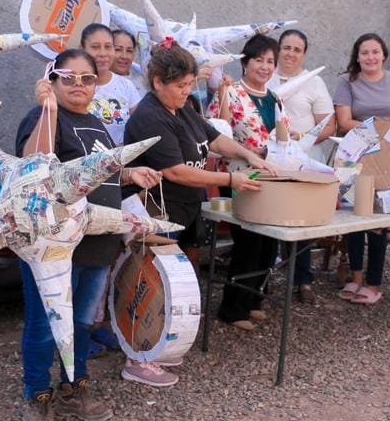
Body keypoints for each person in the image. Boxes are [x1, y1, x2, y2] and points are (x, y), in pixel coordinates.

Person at [13, 48, 162, 421]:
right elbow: (33, 164)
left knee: (80, 322)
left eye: (88, 78)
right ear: (53, 79)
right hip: (54, 250)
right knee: (46, 327)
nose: (79, 85)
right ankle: (37, 396)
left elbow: (97, 172)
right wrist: (46, 108)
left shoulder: (95, 122)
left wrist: (128, 173)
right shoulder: (45, 117)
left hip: (97, 245)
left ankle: (72, 389)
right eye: (69, 77)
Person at [124, 41, 274, 336]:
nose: (186, 91)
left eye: (191, 84)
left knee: (175, 278)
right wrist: (231, 180)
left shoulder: (181, 108)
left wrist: (248, 154)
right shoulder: (150, 116)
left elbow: (215, 139)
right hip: (158, 209)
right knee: (151, 277)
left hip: (186, 207)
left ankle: (170, 333)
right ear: (157, 82)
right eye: (180, 85)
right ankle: (143, 338)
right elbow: (175, 172)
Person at [208, 34, 290, 328]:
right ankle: (232, 308)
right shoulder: (231, 92)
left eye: (270, 61)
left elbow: (284, 136)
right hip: (239, 174)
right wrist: (222, 96)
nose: (265, 66)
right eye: (259, 59)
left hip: (270, 175)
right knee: (248, 241)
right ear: (245, 62)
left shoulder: (274, 97)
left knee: (268, 241)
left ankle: (253, 298)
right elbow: (218, 133)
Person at [333, 33, 390, 305]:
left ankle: (374, 282)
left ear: (384, 55)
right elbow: (344, 121)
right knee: (358, 214)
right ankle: (356, 277)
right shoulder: (346, 82)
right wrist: (377, 133)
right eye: (364, 52)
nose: (370, 57)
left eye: (375, 52)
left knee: (381, 215)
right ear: (357, 56)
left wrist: (389, 138)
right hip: (355, 154)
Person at [267, 29, 334, 304]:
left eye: (297, 49)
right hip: (269, 157)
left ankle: (303, 279)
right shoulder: (264, 74)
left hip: (303, 158)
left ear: (304, 54)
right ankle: (265, 277)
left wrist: (302, 138)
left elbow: (330, 124)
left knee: (300, 219)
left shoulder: (314, 83)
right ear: (278, 50)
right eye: (286, 47)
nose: (290, 53)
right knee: (268, 216)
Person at [81, 23, 141, 145]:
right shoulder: (73, 86)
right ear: (82, 49)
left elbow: (140, 127)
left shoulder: (126, 86)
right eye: (95, 47)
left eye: (108, 47)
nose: (103, 53)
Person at [111, 28, 148, 93]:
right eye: (118, 49)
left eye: (129, 51)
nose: (124, 56)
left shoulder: (144, 82)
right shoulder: (96, 82)